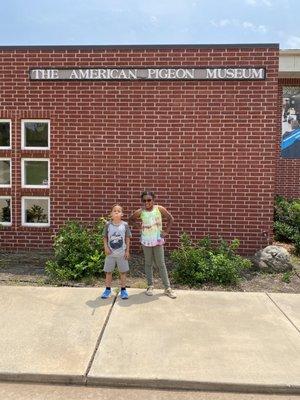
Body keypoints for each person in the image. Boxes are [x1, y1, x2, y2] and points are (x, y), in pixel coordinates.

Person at [129, 191, 176, 299]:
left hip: (158, 240)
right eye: (144, 200)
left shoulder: (159, 209)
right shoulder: (141, 211)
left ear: (153, 199)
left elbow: (170, 219)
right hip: (146, 241)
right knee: (148, 263)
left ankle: (167, 288)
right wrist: (138, 227)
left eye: (149, 200)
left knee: (161, 264)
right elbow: (131, 219)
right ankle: (150, 286)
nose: (147, 202)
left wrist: (166, 232)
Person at [101, 204, 131, 300]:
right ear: (111, 214)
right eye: (115, 211)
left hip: (122, 254)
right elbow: (104, 237)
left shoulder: (125, 225)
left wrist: (127, 251)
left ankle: (123, 290)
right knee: (108, 272)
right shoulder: (108, 225)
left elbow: (127, 238)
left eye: (119, 211)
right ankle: (107, 290)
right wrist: (106, 247)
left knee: (123, 272)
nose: (117, 212)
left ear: (122, 214)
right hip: (110, 254)